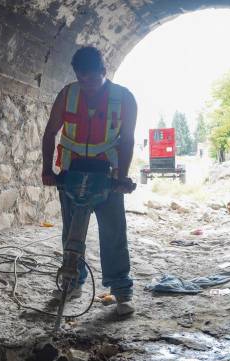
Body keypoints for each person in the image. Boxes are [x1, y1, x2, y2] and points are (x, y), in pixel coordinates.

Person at [41, 46, 137, 316]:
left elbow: (127, 140)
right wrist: (47, 170)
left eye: (92, 79)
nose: (87, 85)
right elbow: (50, 133)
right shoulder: (67, 95)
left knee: (113, 232)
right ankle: (72, 282)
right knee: (72, 233)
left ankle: (121, 291)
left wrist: (121, 178)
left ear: (104, 71)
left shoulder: (124, 98)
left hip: (107, 175)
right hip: (72, 173)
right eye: (81, 79)